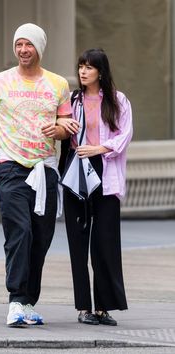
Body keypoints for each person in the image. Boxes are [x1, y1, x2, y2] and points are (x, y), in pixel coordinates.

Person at [0, 23, 71, 327]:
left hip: (45, 169)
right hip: (10, 168)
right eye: (18, 44)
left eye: (28, 44)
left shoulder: (58, 85)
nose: (22, 50)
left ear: (39, 48)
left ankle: (28, 301)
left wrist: (58, 129)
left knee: (41, 237)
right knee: (20, 231)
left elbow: (66, 125)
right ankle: (15, 300)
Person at [57, 48, 133, 326]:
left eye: (89, 67)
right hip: (76, 172)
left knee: (105, 242)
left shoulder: (118, 100)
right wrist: (62, 124)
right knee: (78, 242)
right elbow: (61, 130)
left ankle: (103, 307)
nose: (83, 71)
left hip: (105, 171)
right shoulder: (72, 100)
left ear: (101, 71)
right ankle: (83, 307)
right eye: (81, 66)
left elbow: (125, 135)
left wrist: (100, 148)